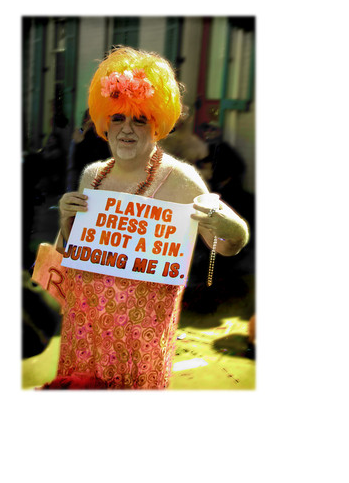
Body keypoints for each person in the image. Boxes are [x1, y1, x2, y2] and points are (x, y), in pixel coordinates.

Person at [50, 46, 249, 389]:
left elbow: (232, 242)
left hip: (139, 343)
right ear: (105, 122)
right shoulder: (93, 176)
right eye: (118, 118)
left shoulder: (181, 180)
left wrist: (223, 223)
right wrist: (66, 221)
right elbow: (72, 252)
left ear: (156, 125)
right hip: (86, 332)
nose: (126, 129)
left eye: (139, 120)